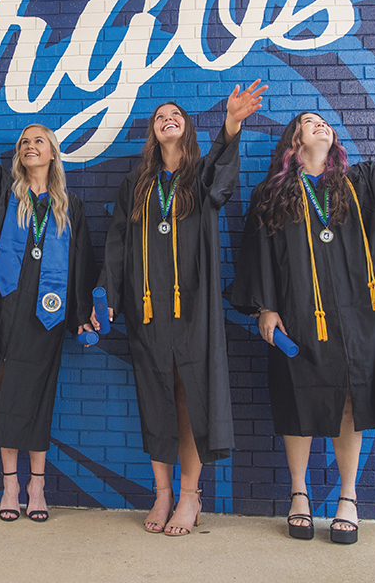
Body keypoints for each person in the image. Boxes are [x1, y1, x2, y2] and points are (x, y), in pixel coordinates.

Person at [91, 82, 267, 536]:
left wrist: (231, 124)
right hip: (146, 307)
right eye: (159, 116)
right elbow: (116, 245)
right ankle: (163, 491)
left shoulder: (200, 174)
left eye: (176, 114)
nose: (167, 118)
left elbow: (223, 180)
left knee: (190, 394)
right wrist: (107, 296)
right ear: (153, 132)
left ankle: (190, 494)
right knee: (156, 395)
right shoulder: (136, 184)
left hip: (192, 306)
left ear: (186, 128)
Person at [0, 80, 98, 523]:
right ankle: (10, 486)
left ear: (52, 154)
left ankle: (37, 486)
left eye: (38, 140)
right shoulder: (4, 195)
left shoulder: (70, 207)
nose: (30, 145)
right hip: (2, 307)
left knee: (39, 395)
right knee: (6, 394)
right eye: (24, 141)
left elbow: (82, 264)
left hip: (45, 315)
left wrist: (82, 315)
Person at [232, 112, 375, 544]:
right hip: (299, 315)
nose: (319, 124)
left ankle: (348, 498)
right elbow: (258, 253)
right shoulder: (273, 194)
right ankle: (298, 494)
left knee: (350, 403)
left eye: (323, 120)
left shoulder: (362, 183)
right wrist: (265, 307)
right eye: (308, 121)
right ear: (294, 139)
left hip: (358, 315)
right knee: (297, 402)